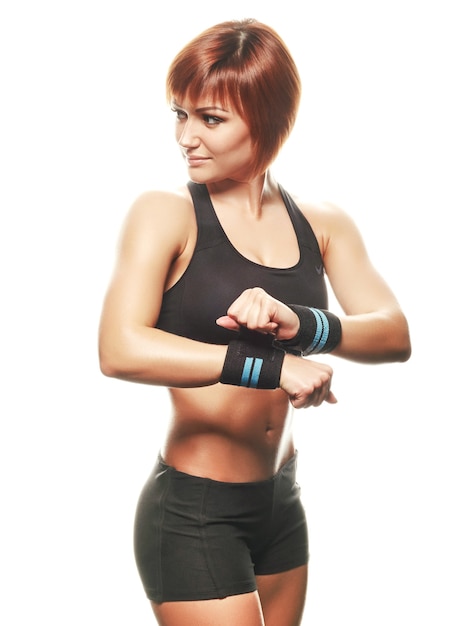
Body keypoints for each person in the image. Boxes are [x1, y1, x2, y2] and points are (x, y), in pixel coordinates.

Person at [98, 18, 411, 626]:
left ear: (268, 120)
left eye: (210, 119)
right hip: (194, 512)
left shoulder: (321, 222)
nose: (187, 137)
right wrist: (270, 365)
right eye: (179, 114)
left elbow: (394, 332)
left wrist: (304, 324)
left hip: (280, 502)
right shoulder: (165, 214)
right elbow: (119, 347)